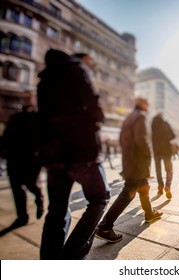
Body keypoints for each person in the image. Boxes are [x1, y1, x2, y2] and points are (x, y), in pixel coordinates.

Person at [37, 49, 110, 259]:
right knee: (99, 199)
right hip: (82, 151)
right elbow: (92, 102)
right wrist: (97, 119)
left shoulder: (44, 78)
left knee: (57, 210)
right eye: (90, 61)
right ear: (82, 59)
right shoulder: (78, 69)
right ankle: (70, 256)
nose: (91, 65)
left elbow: (43, 117)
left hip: (54, 155)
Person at [95, 97, 163, 243]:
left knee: (144, 187)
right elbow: (141, 138)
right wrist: (148, 154)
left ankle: (149, 213)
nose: (148, 106)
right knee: (128, 193)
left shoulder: (129, 117)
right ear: (143, 104)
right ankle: (105, 227)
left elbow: (121, 139)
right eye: (147, 104)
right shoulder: (141, 116)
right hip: (137, 162)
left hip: (130, 160)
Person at [0, 100, 44, 229]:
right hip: (17, 157)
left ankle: (37, 198)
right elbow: (6, 137)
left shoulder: (36, 118)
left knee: (26, 184)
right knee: (19, 186)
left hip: (29, 158)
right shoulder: (16, 118)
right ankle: (23, 215)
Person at [151, 113, 175, 199]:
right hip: (166, 151)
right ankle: (167, 186)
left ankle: (160, 186)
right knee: (169, 169)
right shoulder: (165, 124)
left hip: (156, 151)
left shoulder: (153, 126)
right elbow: (173, 136)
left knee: (158, 170)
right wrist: (167, 138)